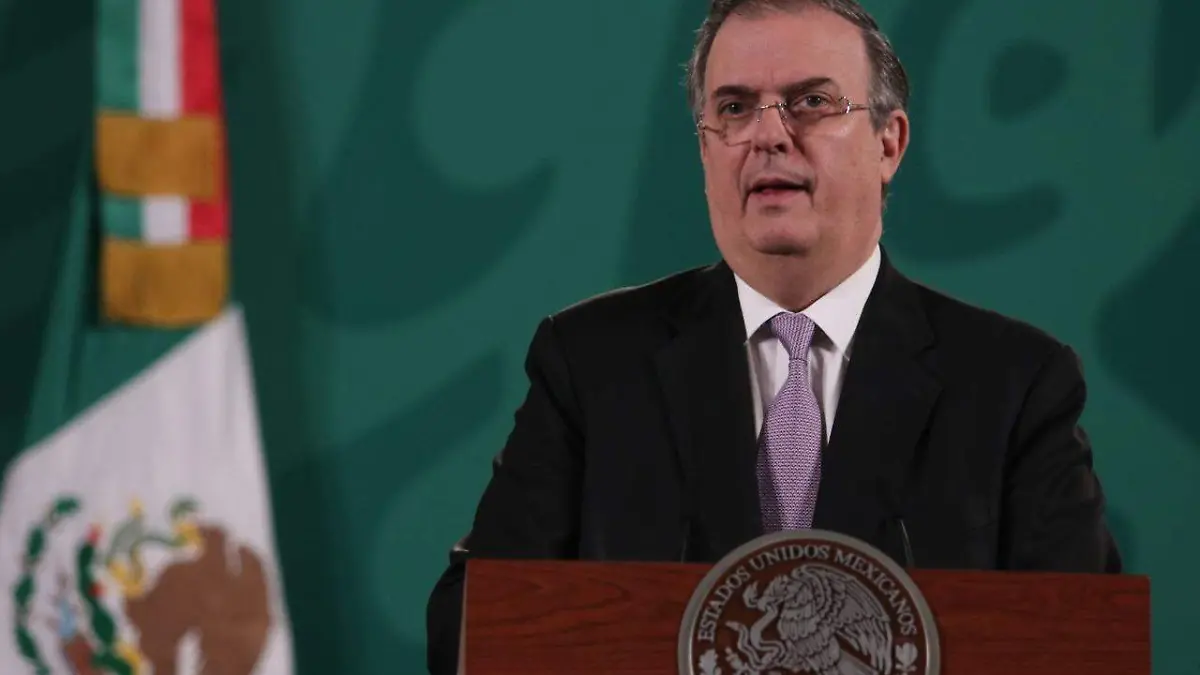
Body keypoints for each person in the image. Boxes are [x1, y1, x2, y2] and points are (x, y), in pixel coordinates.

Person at [426, 0, 1122, 672]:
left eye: (810, 102)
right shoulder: (590, 362)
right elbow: (474, 621)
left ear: (889, 143)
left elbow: (1079, 641)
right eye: (734, 108)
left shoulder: (1016, 383)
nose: (768, 135)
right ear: (705, 149)